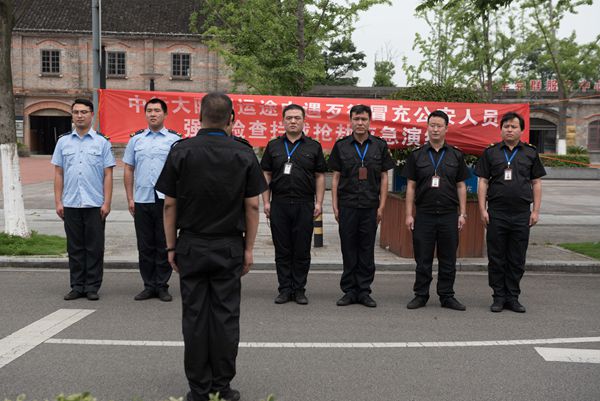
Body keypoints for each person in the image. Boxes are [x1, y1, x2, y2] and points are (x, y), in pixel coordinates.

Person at [156, 92, 267, 401]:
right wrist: (248, 249)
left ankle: (198, 388)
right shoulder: (243, 153)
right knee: (225, 317)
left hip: (191, 244)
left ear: (199, 116)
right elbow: (253, 206)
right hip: (229, 246)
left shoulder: (181, 151)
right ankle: (222, 385)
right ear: (232, 118)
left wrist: (170, 247)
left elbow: (169, 205)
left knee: (194, 317)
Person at [474, 111, 546, 313]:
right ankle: (498, 297)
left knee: (517, 258)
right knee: (497, 257)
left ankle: (512, 297)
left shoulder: (530, 153)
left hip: (521, 213)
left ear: (521, 130)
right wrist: (482, 209)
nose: (509, 130)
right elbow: (483, 182)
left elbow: (536, 183)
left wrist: (535, 211)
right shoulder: (491, 153)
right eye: (506, 126)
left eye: (514, 127)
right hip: (497, 213)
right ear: (501, 129)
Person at [328, 104, 395, 307]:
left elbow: (384, 177)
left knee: (366, 249)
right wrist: (335, 206)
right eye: (356, 119)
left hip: (370, 206)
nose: (360, 123)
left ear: (369, 121)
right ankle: (349, 291)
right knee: (348, 248)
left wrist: (381, 207)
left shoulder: (379, 146)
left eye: (363, 119)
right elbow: (335, 177)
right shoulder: (341, 146)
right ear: (350, 121)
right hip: (347, 205)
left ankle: (364, 291)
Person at [402, 110, 470, 311]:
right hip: (424, 215)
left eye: (439, 126)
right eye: (432, 125)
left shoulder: (456, 155)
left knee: (448, 259)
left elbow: (461, 186)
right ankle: (421, 295)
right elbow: (411, 187)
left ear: (446, 128)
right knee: (422, 259)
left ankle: (447, 296)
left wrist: (463, 213)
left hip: (449, 215)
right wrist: (408, 214)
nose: (435, 129)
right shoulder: (417, 155)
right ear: (427, 127)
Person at [260, 104, 327, 305]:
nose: (293, 121)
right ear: (283, 121)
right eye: (289, 118)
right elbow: (266, 174)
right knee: (282, 250)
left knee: (302, 250)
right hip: (279, 204)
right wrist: (266, 202)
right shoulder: (273, 146)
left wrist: (319, 203)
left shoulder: (313, 146)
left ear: (304, 121)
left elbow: (320, 176)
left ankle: (299, 290)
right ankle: (284, 289)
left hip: (304, 204)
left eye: (297, 118)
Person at [52, 98, 115, 301]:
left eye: (84, 112)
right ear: (72, 115)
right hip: (70, 203)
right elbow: (58, 173)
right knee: (75, 248)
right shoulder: (63, 142)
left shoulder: (102, 142)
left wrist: (107, 202)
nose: (80, 116)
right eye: (76, 112)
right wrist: (58, 201)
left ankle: (92, 286)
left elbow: (108, 174)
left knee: (94, 247)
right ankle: (77, 286)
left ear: (91, 115)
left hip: (95, 203)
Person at [123, 98, 181, 302]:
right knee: (145, 245)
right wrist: (130, 198)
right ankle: (148, 285)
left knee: (165, 243)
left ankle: (162, 286)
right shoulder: (136, 140)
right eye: (149, 110)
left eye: (157, 110)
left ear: (165, 114)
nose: (153, 114)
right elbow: (129, 168)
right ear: (145, 114)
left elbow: (181, 172)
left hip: (166, 202)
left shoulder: (175, 140)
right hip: (142, 200)